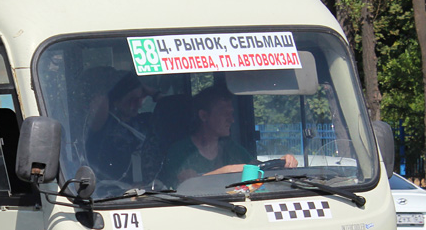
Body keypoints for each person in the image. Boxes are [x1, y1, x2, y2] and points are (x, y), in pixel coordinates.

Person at [161, 85, 297, 185]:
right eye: (224, 114)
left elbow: (256, 167)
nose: (231, 119)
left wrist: (282, 163)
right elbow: (185, 185)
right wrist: (228, 170)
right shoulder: (179, 152)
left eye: (231, 114)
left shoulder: (231, 148)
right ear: (204, 116)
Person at [85, 72, 162, 182]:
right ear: (116, 101)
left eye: (141, 99)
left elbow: (174, 114)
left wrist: (155, 94)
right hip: (114, 192)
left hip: (152, 190)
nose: (139, 105)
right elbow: (102, 100)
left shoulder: (146, 121)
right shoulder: (105, 126)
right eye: (132, 100)